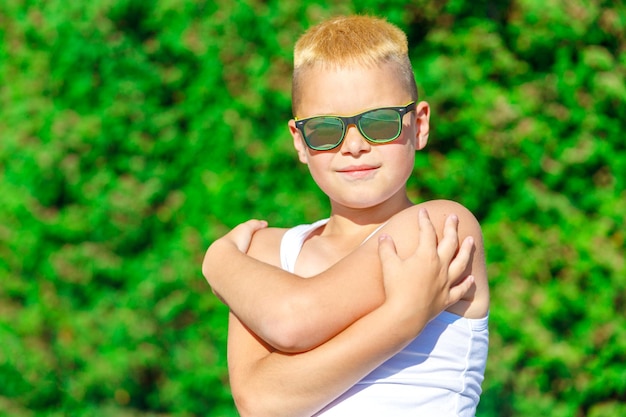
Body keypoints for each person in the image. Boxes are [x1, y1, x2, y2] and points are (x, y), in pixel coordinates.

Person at [203, 15, 489, 417]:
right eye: (324, 130)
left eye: (379, 122)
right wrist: (401, 317)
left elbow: (292, 319)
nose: (353, 145)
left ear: (419, 124)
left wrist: (218, 260)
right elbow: (261, 403)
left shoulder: (440, 228)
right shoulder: (266, 252)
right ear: (299, 142)